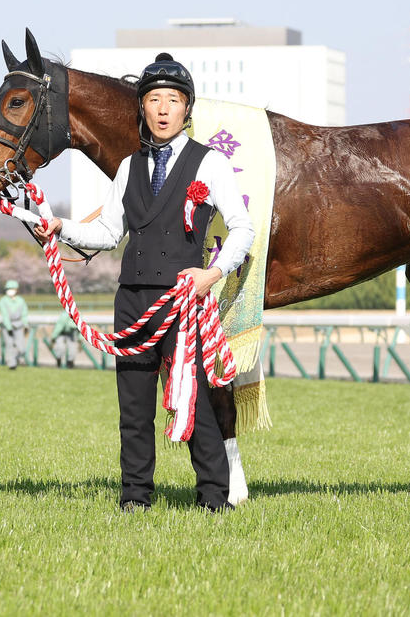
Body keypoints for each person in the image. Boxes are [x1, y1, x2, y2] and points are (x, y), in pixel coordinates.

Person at [34, 53, 254, 512]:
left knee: (193, 402)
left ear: (186, 108)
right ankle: (135, 496)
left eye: (172, 100)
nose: (162, 109)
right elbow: (109, 233)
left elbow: (243, 229)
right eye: (153, 99)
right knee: (134, 409)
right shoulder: (129, 167)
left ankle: (213, 497)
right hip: (132, 299)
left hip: (183, 300)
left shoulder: (208, 163)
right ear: (143, 108)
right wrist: (62, 227)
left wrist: (212, 273)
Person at [0, 280, 29, 369]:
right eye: (9, 289)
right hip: (7, 326)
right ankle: (12, 364)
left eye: (12, 289)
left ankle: (15, 358)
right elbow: (5, 315)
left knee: (21, 348)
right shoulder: (3, 301)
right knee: (9, 344)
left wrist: (26, 325)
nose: (10, 290)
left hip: (19, 325)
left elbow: (24, 314)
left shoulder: (20, 300)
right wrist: (8, 327)